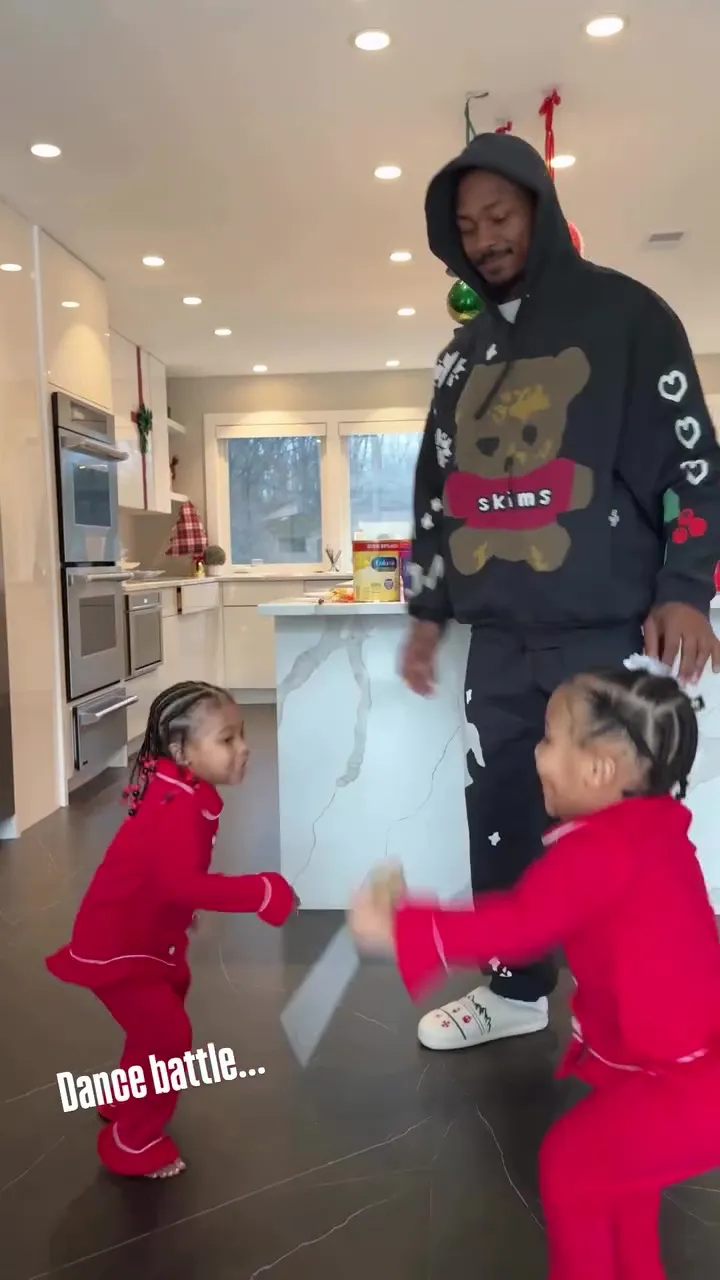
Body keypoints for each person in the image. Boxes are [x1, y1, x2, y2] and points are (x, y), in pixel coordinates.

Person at [401, 129, 720, 1051]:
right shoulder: (459, 359)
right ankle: (514, 989)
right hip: (498, 639)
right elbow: (435, 496)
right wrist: (429, 610)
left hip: (608, 630)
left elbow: (693, 468)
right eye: (466, 225)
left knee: (624, 824)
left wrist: (687, 587)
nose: (485, 236)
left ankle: (654, 999)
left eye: (500, 215)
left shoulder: (628, 316)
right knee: (500, 807)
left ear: (539, 210)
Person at [350, 662, 720, 1280]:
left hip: (683, 1086)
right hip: (680, 1068)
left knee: (572, 1163)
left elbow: (518, 925)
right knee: (623, 1183)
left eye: (548, 739)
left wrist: (403, 928)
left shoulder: (598, 852)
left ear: (598, 769)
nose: (536, 754)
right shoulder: (652, 832)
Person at [46, 681, 296, 1178]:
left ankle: (124, 1096)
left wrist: (177, 906)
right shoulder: (175, 804)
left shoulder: (177, 786)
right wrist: (262, 891)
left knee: (159, 1013)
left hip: (136, 932)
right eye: (227, 739)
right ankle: (131, 1141)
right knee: (167, 1036)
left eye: (241, 735)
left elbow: (155, 871)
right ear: (182, 750)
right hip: (118, 945)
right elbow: (179, 880)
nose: (244, 748)